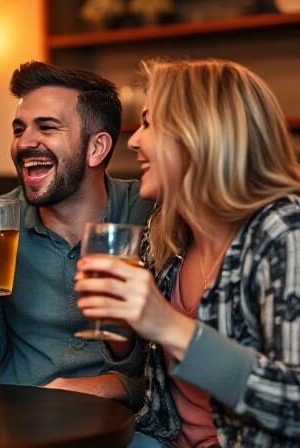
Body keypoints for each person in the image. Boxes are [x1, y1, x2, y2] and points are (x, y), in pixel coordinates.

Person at [76, 59, 300, 447]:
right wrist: (121, 330)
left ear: (198, 135)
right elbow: (153, 388)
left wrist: (167, 324)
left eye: (149, 123)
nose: (133, 140)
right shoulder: (166, 235)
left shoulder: (283, 232)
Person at [0, 61, 154, 409]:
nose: (24, 143)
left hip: (122, 421)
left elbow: (170, 368)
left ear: (96, 148)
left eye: (46, 127)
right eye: (18, 130)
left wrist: (106, 387)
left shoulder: (146, 213)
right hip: (21, 417)